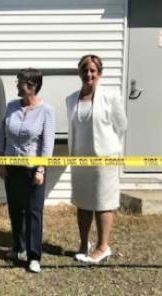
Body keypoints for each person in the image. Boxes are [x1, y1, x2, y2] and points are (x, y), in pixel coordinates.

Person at [66, 54, 127, 264]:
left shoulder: (110, 96)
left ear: (99, 73)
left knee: (103, 202)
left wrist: (110, 148)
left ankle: (103, 246)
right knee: (83, 203)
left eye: (93, 70)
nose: (88, 74)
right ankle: (84, 244)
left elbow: (122, 126)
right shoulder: (71, 98)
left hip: (105, 160)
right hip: (80, 160)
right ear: (79, 72)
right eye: (85, 70)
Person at [0, 68, 55, 273]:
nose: (17, 85)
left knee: (33, 211)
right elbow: (1, 135)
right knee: (15, 209)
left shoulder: (46, 110)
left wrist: (41, 168)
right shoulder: (11, 106)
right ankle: (17, 247)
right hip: (12, 168)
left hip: (33, 170)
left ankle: (33, 255)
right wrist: (1, 162)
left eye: (20, 82)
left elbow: (47, 144)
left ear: (31, 86)